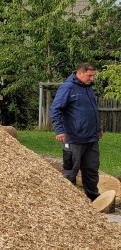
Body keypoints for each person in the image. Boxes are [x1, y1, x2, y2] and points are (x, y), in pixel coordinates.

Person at [49, 62, 103, 201]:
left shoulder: (89, 89)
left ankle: (94, 199)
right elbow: (55, 110)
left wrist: (98, 129)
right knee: (70, 171)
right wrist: (60, 131)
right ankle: (67, 201)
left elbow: (93, 111)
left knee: (92, 171)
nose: (92, 79)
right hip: (74, 139)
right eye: (90, 76)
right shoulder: (68, 88)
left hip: (91, 139)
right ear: (80, 73)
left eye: (93, 76)